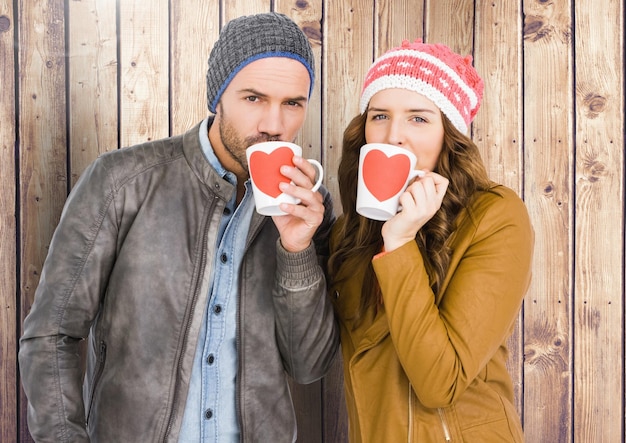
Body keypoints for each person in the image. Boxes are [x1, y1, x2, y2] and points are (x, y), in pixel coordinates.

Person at [19, 12, 339, 442]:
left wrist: (296, 250)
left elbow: (309, 365)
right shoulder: (122, 182)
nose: (274, 125)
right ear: (218, 95)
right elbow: (51, 334)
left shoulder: (308, 209)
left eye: (292, 103)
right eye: (253, 98)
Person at [327, 39, 533, 442]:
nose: (392, 136)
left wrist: (401, 242)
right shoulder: (350, 232)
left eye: (418, 119)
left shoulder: (494, 216)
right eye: (379, 115)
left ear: (448, 135)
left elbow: (439, 384)